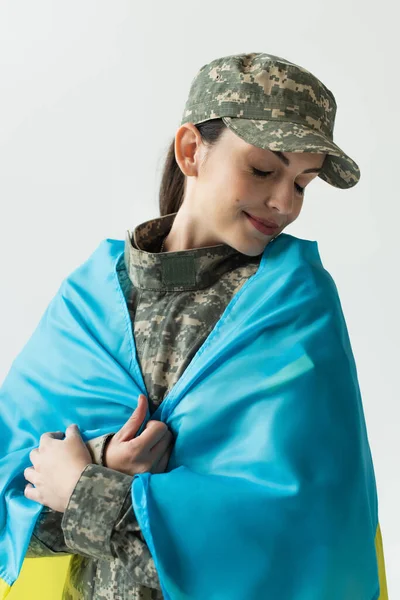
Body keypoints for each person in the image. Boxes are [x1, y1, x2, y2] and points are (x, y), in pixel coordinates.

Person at [22, 51, 385, 599]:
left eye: (304, 183)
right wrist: (102, 460)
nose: (285, 202)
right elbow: (17, 519)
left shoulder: (293, 306)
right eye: (263, 169)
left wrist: (86, 488)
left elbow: (299, 531)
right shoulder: (89, 301)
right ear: (191, 151)